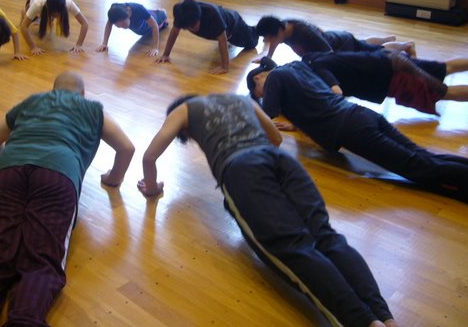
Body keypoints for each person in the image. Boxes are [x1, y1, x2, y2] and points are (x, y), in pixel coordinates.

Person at [137, 93, 397, 327]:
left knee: (293, 248)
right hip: (280, 160)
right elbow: (276, 137)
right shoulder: (241, 99)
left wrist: (151, 188)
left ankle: (363, 322)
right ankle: (385, 318)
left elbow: (149, 157)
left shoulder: (183, 110)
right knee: (326, 236)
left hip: (240, 168)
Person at [0, 71, 135, 326]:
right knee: (41, 260)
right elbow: (126, 148)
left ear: (52, 91)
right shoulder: (93, 109)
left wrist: (8, 169)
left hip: (6, 172)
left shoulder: (32, 101)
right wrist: (113, 179)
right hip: (57, 175)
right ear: (82, 94)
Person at [246, 58, 468, 209]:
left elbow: (268, 114)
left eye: (259, 92)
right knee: (423, 156)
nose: (263, 95)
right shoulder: (295, 67)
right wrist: (299, 124)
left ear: (258, 79)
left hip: (351, 129)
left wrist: (250, 108)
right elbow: (312, 99)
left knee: (418, 167)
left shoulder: (275, 78)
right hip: (361, 114)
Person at [302, 51, 468, 118]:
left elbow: (336, 93)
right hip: (390, 59)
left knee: (443, 93)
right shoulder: (311, 58)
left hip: (394, 76)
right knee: (444, 67)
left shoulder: (318, 69)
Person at [156, 0, 260, 74]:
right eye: (189, 28)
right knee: (220, 36)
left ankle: (261, 27)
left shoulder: (212, 14)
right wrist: (166, 54)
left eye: (194, 25)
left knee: (252, 42)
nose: (194, 29)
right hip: (221, 24)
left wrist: (224, 66)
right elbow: (174, 32)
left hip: (234, 25)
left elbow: (222, 38)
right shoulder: (181, 14)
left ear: (199, 17)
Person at [255, 16, 415, 60]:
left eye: (268, 38)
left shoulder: (304, 33)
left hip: (342, 45)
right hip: (337, 36)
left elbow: (330, 55)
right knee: (363, 43)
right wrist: (267, 57)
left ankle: (406, 46)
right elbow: (274, 43)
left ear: (278, 32)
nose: (267, 42)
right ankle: (387, 38)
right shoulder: (283, 29)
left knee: (375, 51)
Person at [19, 0, 89, 54]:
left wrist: (79, 45)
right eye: (54, 14)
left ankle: (42, 19)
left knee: (43, 20)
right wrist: (33, 47)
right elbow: (23, 27)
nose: (57, 17)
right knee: (31, 20)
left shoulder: (69, 3)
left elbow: (84, 23)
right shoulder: (37, 4)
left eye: (59, 14)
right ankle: (24, 12)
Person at [96, 2, 168, 57]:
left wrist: (155, 48)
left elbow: (154, 25)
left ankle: (161, 12)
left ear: (128, 13)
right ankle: (152, 12)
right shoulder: (115, 14)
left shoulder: (138, 8)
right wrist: (104, 43)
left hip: (151, 23)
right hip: (140, 26)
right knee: (145, 15)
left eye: (123, 24)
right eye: (119, 26)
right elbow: (108, 25)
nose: (122, 27)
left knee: (162, 16)